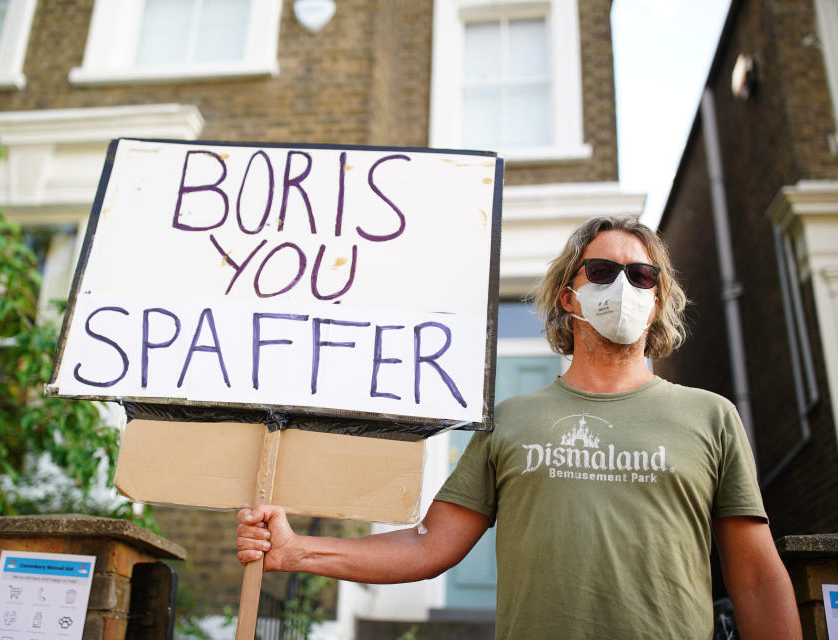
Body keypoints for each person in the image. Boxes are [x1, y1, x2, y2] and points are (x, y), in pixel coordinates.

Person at [235, 216, 800, 639]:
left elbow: (754, 576)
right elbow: (432, 544)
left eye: (641, 275)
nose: (622, 287)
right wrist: (295, 552)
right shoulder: (510, 421)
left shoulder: (711, 416)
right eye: (602, 271)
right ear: (569, 295)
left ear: (656, 301)